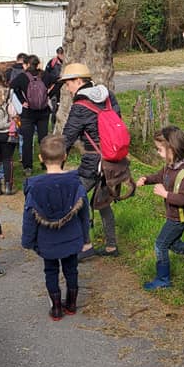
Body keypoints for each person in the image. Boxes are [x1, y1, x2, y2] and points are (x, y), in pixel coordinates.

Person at [21, 135, 91, 320]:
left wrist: (28, 241)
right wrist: (86, 239)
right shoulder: (76, 183)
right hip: (72, 237)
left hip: (47, 241)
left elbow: (29, 216)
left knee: (50, 271)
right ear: (65, 156)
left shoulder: (35, 187)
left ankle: (57, 308)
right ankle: (72, 304)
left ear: (40, 159)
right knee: (71, 269)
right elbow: (85, 214)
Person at [60, 62, 122, 259]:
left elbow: (68, 137)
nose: (67, 88)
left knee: (76, 195)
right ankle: (112, 246)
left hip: (94, 160)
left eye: (68, 84)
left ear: (79, 81)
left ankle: (86, 245)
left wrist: (54, 160)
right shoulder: (108, 95)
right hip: (114, 159)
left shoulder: (80, 106)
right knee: (103, 202)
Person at [135, 125, 184, 290]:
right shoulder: (171, 166)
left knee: (160, 244)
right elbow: (160, 176)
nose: (158, 153)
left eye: (160, 149)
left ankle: (163, 279)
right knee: (173, 244)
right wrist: (146, 179)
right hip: (176, 215)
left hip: (179, 217)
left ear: (172, 149)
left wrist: (165, 194)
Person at [11, 54, 50, 175]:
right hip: (43, 111)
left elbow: (13, 86)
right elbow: (58, 82)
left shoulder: (22, 77)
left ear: (27, 64)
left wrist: (22, 101)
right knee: (43, 139)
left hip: (28, 113)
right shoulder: (44, 75)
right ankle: (45, 163)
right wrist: (48, 95)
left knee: (27, 140)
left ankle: (28, 166)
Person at [44, 46, 64, 131]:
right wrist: (55, 78)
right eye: (60, 54)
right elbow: (46, 75)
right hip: (55, 89)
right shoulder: (52, 63)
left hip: (65, 87)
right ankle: (53, 128)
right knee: (55, 109)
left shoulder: (68, 61)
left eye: (62, 53)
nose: (62, 55)